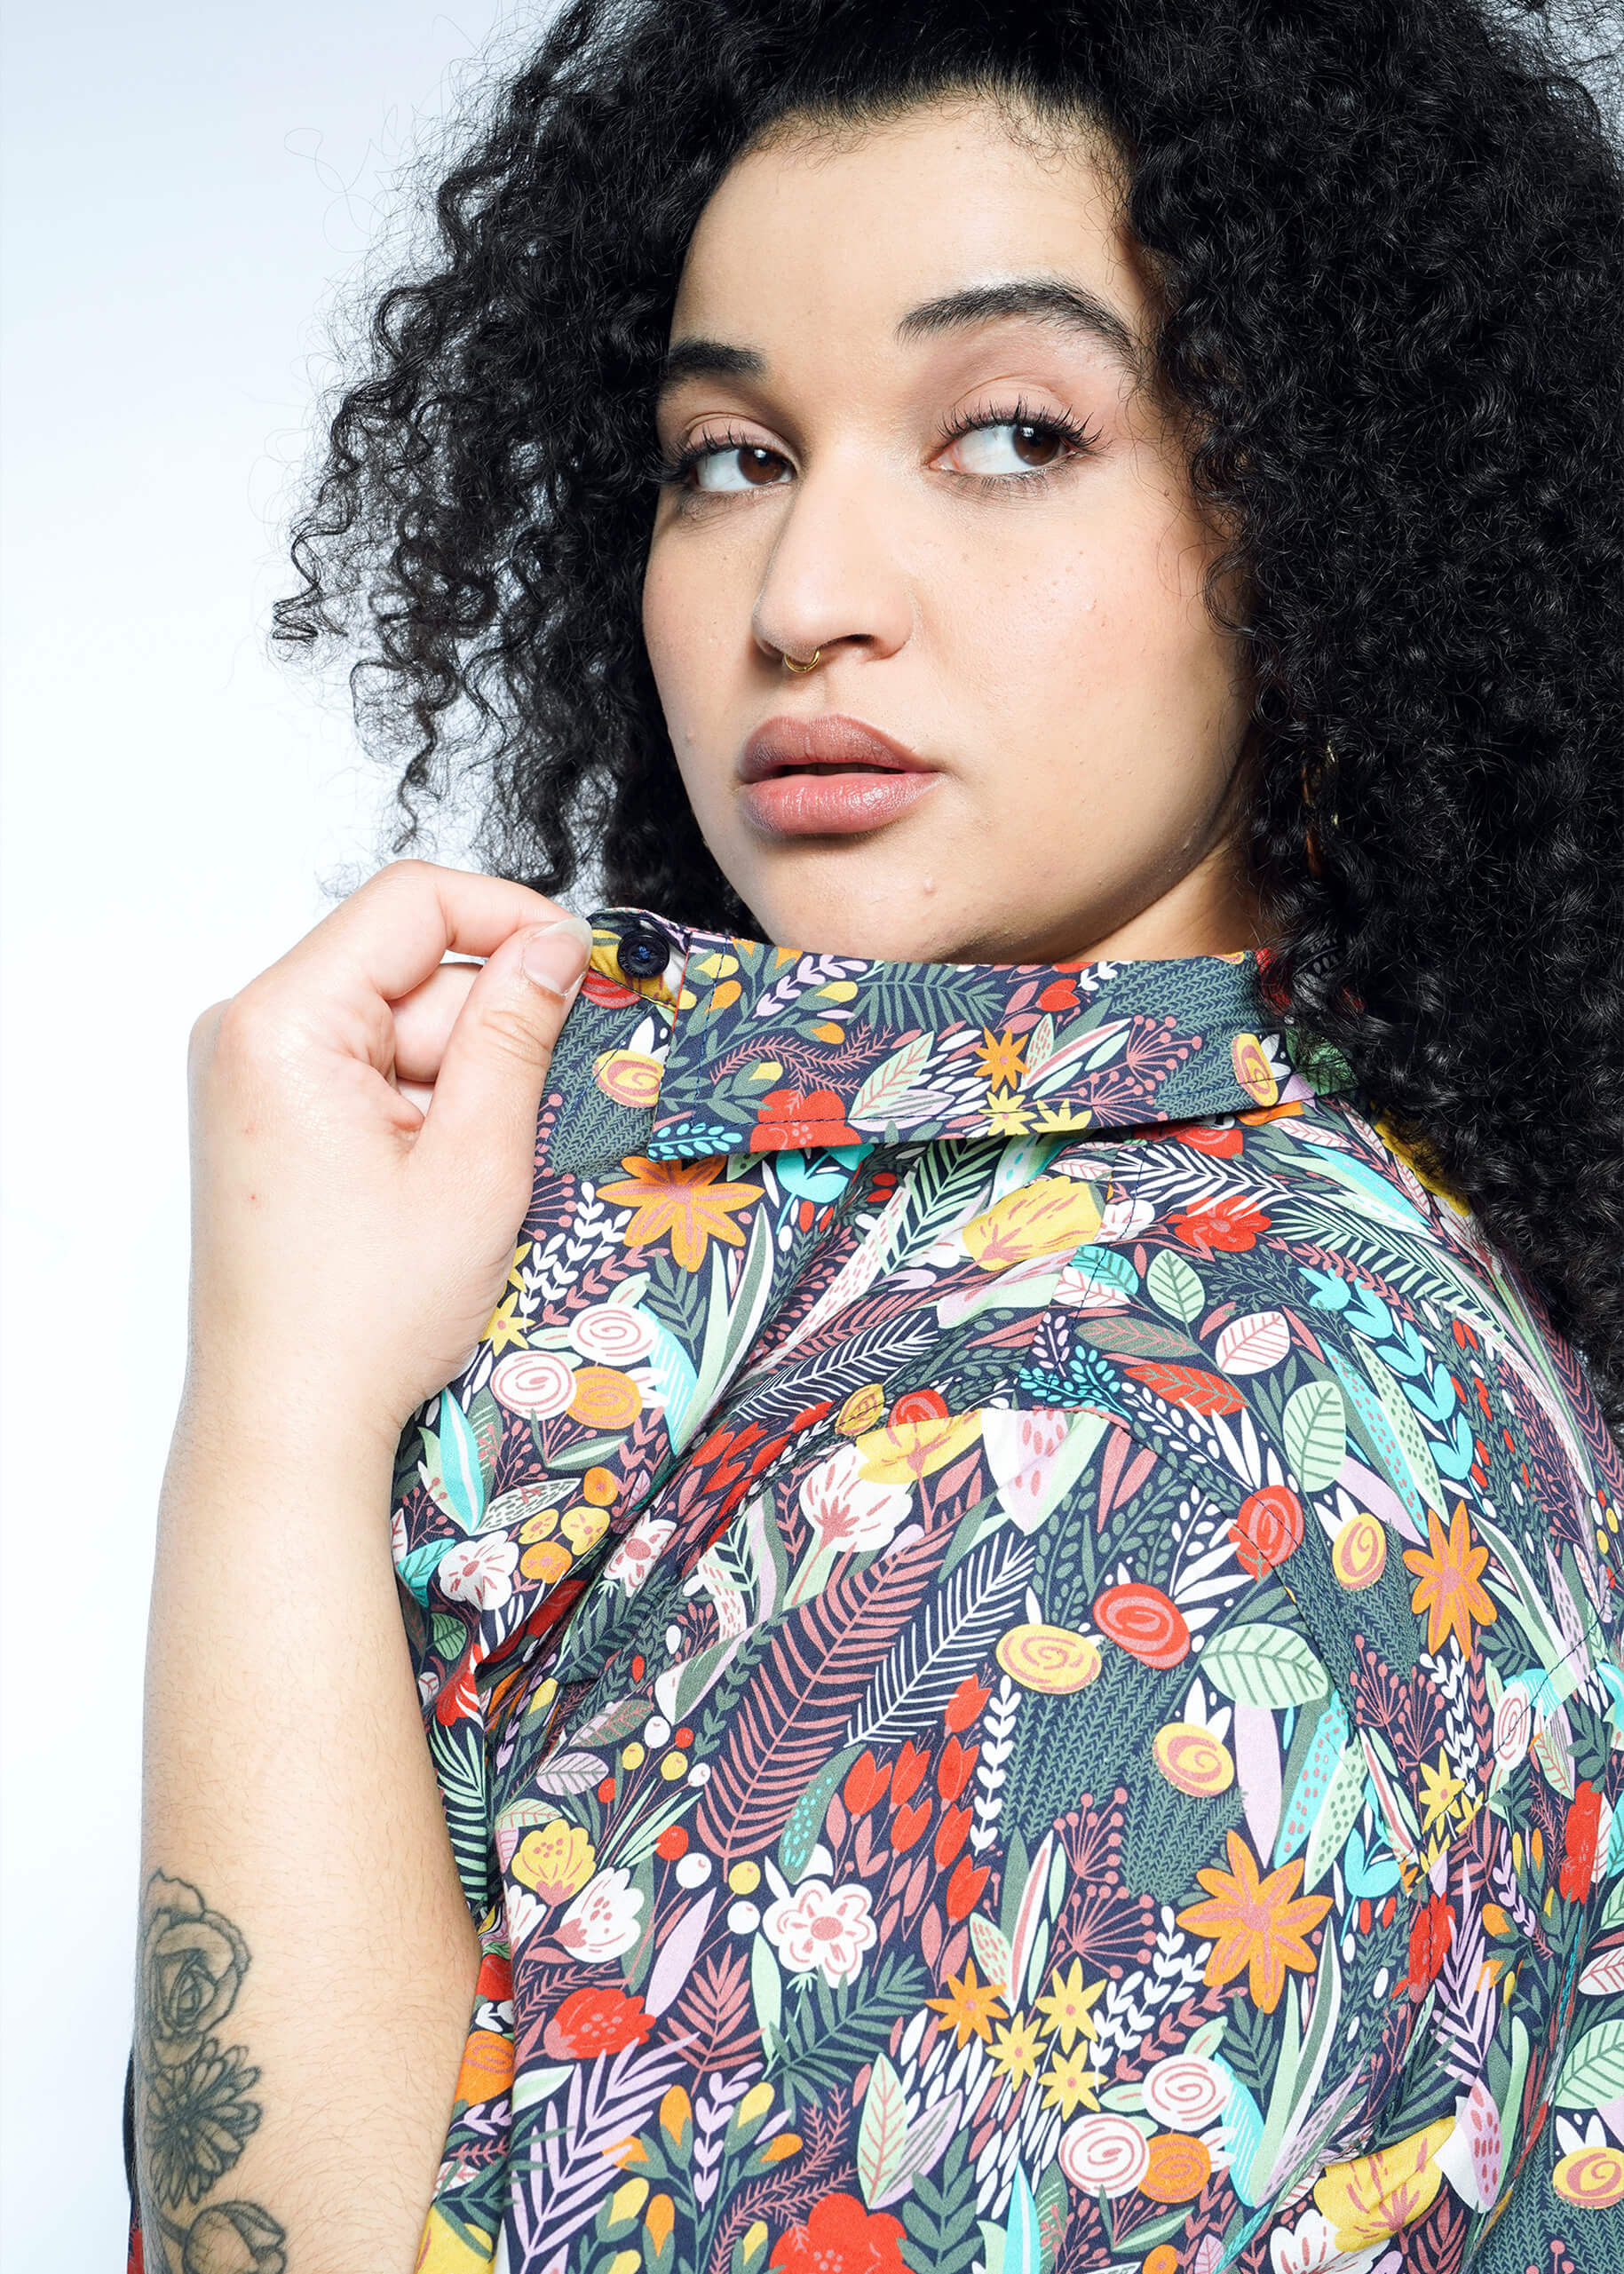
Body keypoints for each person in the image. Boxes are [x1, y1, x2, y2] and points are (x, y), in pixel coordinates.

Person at [127, 2, 1624, 2269]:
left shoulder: (1110, 1445)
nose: (804, 595)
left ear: (1328, 507)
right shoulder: (1268, 1254)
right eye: (728, 452)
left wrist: (276, 1424)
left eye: (1013, 431)